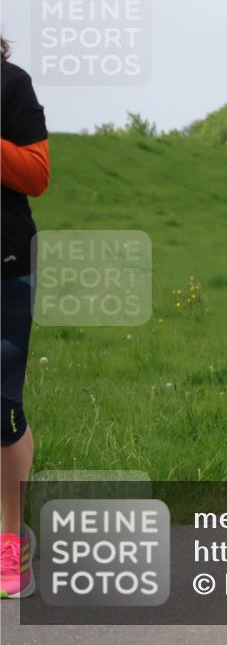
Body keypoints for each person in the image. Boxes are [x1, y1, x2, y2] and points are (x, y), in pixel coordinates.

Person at [1, 36, 50, 599]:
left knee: (1, 401)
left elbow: (36, 174)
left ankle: (11, 546)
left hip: (4, 265)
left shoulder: (11, 86)